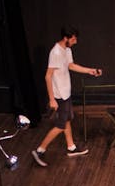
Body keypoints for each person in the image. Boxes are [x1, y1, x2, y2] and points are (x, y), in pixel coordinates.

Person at [31, 26, 102, 166]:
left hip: (66, 92)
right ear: (66, 38)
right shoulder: (55, 53)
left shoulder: (67, 50)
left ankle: (71, 147)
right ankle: (39, 150)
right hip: (59, 96)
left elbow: (71, 66)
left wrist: (90, 71)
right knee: (60, 125)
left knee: (67, 120)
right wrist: (51, 99)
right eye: (73, 39)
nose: (75, 41)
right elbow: (48, 76)